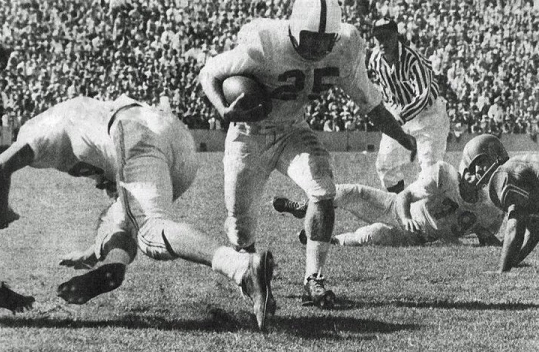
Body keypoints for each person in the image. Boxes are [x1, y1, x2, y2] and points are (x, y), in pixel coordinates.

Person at [199, 0, 416, 309]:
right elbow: (209, 73)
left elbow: (370, 104)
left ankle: (314, 278)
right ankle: (250, 274)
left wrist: (401, 136)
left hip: (292, 129)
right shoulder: (265, 42)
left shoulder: (346, 45)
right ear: (293, 29)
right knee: (240, 221)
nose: (318, 46)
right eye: (311, 37)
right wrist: (224, 109)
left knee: (323, 189)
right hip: (249, 134)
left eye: (326, 39)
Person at [0, 95, 275, 330]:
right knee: (125, 212)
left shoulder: (39, 131)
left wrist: (1, 210)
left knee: (151, 229)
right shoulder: (79, 116)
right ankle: (113, 263)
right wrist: (95, 251)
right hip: (172, 133)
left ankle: (240, 267)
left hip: (131, 130)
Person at [273, 160, 504, 247]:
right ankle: (304, 207)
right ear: (468, 164)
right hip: (395, 207)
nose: (480, 177)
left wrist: (491, 238)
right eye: (478, 169)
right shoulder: (444, 175)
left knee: (373, 235)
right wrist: (405, 218)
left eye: (487, 173)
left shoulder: (489, 209)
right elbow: (405, 196)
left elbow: (485, 234)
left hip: (417, 236)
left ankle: (332, 240)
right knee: (351, 192)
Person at [368, 18, 450, 194]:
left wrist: (399, 118)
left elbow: (423, 95)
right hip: (398, 112)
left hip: (428, 116)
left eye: (387, 37)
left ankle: (428, 215)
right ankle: (400, 210)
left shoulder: (412, 59)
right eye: (378, 38)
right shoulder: (374, 59)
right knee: (385, 166)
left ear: (396, 36)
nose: (382, 42)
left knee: (430, 174)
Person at [459, 134, 539, 273]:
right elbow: (535, 229)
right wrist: (516, 259)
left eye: (481, 162)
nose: (478, 170)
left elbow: (515, 226)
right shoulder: (517, 165)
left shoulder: (506, 174)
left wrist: (503, 270)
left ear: (495, 156)